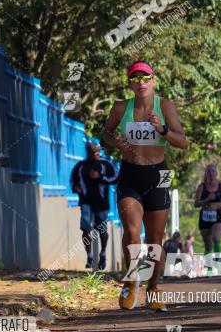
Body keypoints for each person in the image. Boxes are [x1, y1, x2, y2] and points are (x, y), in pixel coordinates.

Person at [101, 61, 189, 311]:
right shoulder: (120, 108)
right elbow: (105, 133)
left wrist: (161, 128)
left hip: (159, 174)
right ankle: (130, 281)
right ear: (130, 83)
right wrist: (116, 144)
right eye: (135, 78)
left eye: (145, 77)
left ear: (153, 80)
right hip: (130, 173)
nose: (141, 82)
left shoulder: (165, 106)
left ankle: (153, 287)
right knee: (131, 231)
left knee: (155, 239)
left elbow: (183, 142)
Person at [70, 142, 118, 270]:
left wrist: (101, 177)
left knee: (102, 230)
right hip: (86, 202)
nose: (98, 153)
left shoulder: (106, 165)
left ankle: (102, 254)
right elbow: (73, 181)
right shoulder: (80, 167)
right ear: (90, 153)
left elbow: (116, 177)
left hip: (102, 203)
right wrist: (76, 188)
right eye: (96, 151)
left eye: (99, 151)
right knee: (86, 227)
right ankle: (90, 256)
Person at [194, 164, 221, 256]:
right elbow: (196, 204)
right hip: (204, 217)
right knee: (208, 246)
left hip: (217, 216)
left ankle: (217, 261)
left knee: (216, 238)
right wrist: (207, 199)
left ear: (216, 173)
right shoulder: (201, 187)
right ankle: (209, 269)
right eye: (208, 171)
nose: (211, 173)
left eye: (213, 171)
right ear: (206, 173)